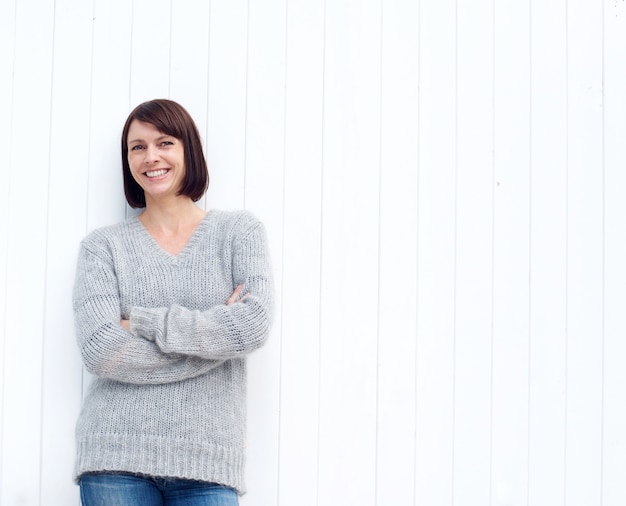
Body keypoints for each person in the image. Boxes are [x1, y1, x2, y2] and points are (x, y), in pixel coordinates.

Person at [72, 99, 273, 505]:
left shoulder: (238, 233)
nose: (151, 157)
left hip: (210, 460)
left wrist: (141, 323)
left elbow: (252, 326)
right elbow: (101, 352)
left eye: (165, 142)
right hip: (114, 455)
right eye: (138, 147)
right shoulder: (102, 248)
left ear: (188, 151)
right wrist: (216, 339)